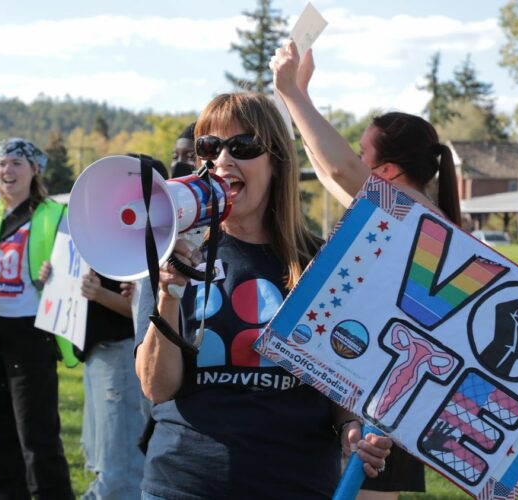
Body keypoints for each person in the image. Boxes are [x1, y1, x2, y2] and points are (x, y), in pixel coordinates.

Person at [135, 93, 392, 498]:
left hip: (293, 484)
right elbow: (156, 387)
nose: (222, 160)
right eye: (209, 147)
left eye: (244, 146)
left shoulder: (323, 262)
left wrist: (351, 428)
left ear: (276, 163)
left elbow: (343, 378)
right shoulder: (172, 253)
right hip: (183, 485)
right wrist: (169, 292)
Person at [271, 39, 463, 498]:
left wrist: (294, 96)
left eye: (364, 154)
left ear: (390, 171)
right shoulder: (398, 208)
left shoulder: (410, 209)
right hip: (377, 389)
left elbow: (339, 172)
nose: (355, 160)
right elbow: (326, 170)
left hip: (388, 400)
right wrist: (295, 95)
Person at [0, 138, 73, 499]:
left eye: (17, 164)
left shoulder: (55, 214)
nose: (8, 171)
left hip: (31, 332)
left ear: (35, 170)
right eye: (3, 164)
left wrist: (54, 272)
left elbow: (74, 266)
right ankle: (6, 493)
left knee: (36, 432)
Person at [78, 269, 144, 500]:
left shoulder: (129, 239)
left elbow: (145, 308)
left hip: (120, 355)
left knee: (118, 469)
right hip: (100, 356)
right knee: (101, 460)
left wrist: (100, 294)